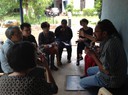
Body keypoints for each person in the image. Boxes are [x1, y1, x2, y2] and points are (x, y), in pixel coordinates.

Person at [80, 19, 127, 89]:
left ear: (104, 33)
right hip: (118, 74)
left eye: (96, 31)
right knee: (89, 70)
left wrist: (93, 55)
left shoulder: (110, 45)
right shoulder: (111, 38)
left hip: (112, 80)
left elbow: (106, 71)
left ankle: (102, 88)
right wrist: (95, 52)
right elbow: (105, 59)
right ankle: (97, 81)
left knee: (81, 82)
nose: (94, 33)